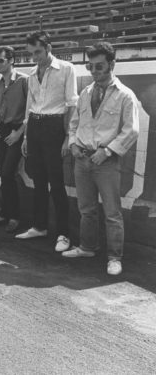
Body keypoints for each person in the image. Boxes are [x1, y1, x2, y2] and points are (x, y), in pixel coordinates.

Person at [62, 42, 139, 275]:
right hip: (82, 159)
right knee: (86, 208)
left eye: (99, 66)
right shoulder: (86, 93)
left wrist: (107, 151)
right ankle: (87, 247)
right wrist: (73, 143)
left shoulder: (125, 95)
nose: (94, 71)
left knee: (112, 212)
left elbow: (131, 130)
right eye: (90, 66)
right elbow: (75, 123)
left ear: (112, 65)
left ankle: (115, 257)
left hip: (106, 161)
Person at [16, 31, 77, 252]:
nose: (35, 57)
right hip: (34, 126)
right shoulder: (31, 74)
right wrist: (25, 135)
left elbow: (71, 104)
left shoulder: (67, 69)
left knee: (57, 182)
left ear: (49, 47)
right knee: (39, 180)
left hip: (54, 127)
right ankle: (39, 226)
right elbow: (29, 105)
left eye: (38, 52)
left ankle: (64, 233)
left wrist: (68, 137)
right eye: (31, 53)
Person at [0, 46, 28, 233]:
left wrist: (20, 133)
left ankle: (15, 216)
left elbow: (31, 109)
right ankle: (4, 214)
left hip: (17, 129)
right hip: (3, 129)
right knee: (3, 172)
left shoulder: (24, 80)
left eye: (0, 60)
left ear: (11, 60)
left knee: (9, 172)